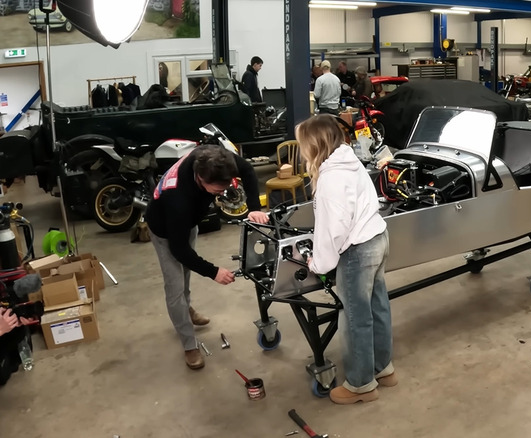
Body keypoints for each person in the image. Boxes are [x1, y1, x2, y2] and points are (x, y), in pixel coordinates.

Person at [296, 115, 395, 405]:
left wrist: (317, 263)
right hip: (378, 237)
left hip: (358, 251)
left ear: (315, 145)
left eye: (304, 145)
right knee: (377, 307)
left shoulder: (330, 178)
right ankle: (383, 369)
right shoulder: (350, 161)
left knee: (354, 317)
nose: (302, 152)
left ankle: (361, 384)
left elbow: (332, 230)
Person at [144, 144, 269, 370]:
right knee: (175, 285)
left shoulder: (216, 157)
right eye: (216, 190)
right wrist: (214, 272)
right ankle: (189, 345)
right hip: (164, 230)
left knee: (186, 275)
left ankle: (187, 308)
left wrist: (254, 207)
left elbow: (248, 171)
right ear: (200, 178)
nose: (221, 193)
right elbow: (179, 250)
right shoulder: (177, 198)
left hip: (188, 222)